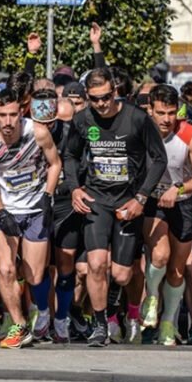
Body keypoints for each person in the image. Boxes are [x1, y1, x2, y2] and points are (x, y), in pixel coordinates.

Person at [63, 69, 168, 347]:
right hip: (96, 200)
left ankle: (125, 312)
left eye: (107, 97)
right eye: (95, 99)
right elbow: (70, 155)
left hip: (128, 203)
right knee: (96, 264)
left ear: (115, 92)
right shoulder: (82, 119)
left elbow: (158, 159)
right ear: (88, 98)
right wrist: (74, 187)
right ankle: (99, 326)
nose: (102, 104)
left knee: (122, 274)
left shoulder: (136, 118)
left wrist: (141, 198)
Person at [0, 90, 62, 349]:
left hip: (35, 208)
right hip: (5, 208)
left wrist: (48, 195)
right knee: (5, 269)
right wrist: (1, 212)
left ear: (21, 112)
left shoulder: (37, 132)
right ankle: (18, 324)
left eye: (13, 114)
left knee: (34, 275)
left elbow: (55, 164)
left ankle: (24, 293)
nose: (8, 121)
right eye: (2, 115)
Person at [140, 85, 192, 346]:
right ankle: (151, 299)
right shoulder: (142, 129)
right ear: (151, 109)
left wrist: (179, 188)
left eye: (171, 113)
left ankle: (168, 322)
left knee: (177, 270)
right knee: (159, 255)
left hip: (183, 202)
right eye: (161, 113)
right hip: (153, 201)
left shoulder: (189, 135)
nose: (166, 119)